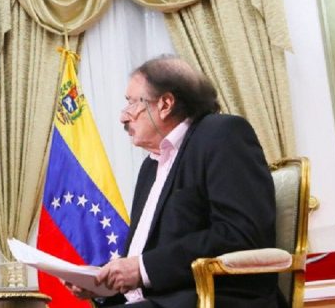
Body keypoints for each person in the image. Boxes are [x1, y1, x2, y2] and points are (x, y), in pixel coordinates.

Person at [67, 55, 284, 307]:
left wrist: (142, 269)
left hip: (215, 299)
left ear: (165, 104)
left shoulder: (223, 134)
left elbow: (241, 233)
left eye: (132, 103)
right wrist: (101, 281)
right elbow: (147, 255)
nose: (123, 117)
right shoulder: (150, 166)